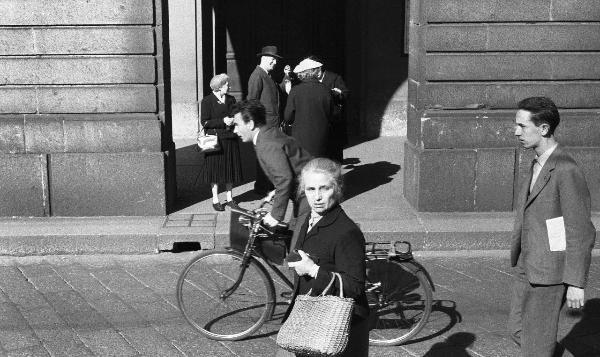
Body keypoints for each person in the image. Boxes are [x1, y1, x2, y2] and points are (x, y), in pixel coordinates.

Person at [507, 96, 596, 356]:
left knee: (536, 345)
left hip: (550, 273)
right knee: (518, 330)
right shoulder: (537, 163)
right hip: (529, 264)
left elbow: (580, 229)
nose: (516, 132)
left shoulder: (565, 169)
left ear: (543, 128)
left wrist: (576, 283)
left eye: (522, 126)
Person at [276, 158, 369, 357]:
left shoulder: (346, 232)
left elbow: (355, 286)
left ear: (336, 188)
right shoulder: (310, 218)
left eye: (324, 188)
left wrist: (313, 270)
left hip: (335, 330)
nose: (317, 196)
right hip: (311, 321)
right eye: (310, 189)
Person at [231, 100, 312, 228]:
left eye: (237, 125)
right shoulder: (268, 133)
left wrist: (275, 215)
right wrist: (275, 192)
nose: (235, 130)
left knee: (297, 242)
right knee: (292, 233)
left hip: (310, 194)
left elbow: (284, 178)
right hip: (304, 191)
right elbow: (291, 165)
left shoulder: (266, 144)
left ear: (250, 124)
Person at [198, 73, 243, 211]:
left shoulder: (231, 99)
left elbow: (237, 115)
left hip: (230, 140)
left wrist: (235, 120)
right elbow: (205, 122)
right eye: (226, 84)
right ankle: (215, 199)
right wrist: (223, 121)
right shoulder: (207, 101)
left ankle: (230, 198)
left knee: (230, 170)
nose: (229, 86)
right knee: (215, 171)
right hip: (215, 141)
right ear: (218, 86)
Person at [247, 45, 283, 196]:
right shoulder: (257, 76)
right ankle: (262, 187)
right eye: (274, 60)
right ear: (266, 59)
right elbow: (252, 101)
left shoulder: (267, 75)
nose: (275, 63)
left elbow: (273, 94)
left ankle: (266, 186)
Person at [283, 58, 334, 158]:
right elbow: (331, 114)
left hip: (301, 139)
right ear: (314, 72)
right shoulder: (326, 89)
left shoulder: (295, 91)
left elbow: (287, 117)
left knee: (304, 169)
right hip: (322, 138)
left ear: (302, 73)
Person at [311, 55, 349, 163]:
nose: (314, 73)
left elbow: (345, 94)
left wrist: (338, 93)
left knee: (334, 155)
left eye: (316, 69)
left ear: (320, 68)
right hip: (317, 122)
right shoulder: (311, 81)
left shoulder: (334, 78)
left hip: (333, 122)